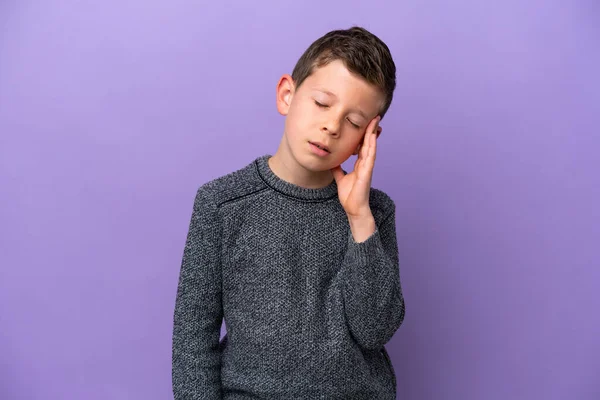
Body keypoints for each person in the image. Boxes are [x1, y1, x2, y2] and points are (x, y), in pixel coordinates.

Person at [172, 26, 405, 400]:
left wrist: (359, 218)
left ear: (368, 137)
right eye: (322, 103)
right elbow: (192, 341)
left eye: (354, 122)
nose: (331, 126)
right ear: (287, 95)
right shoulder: (221, 204)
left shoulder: (374, 214)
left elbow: (375, 329)